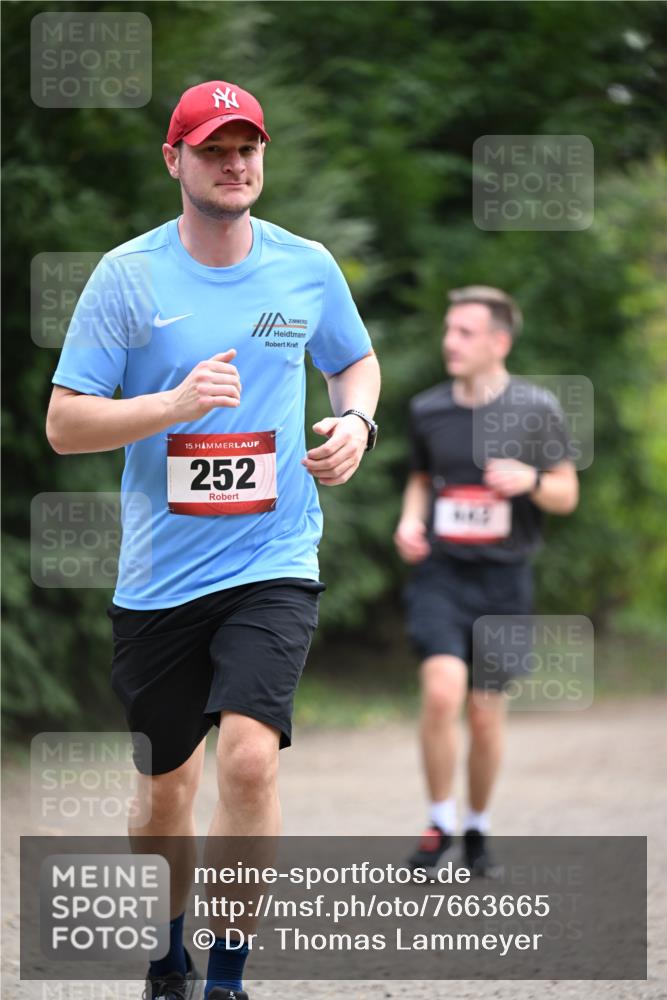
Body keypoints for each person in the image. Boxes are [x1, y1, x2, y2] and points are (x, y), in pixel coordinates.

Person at [46, 79, 380, 1000]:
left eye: (248, 149)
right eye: (213, 150)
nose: (235, 165)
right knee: (164, 796)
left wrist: (356, 422)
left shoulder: (306, 266)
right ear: (175, 160)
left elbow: (353, 359)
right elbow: (66, 425)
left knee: (246, 755)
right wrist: (173, 406)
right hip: (160, 580)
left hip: (274, 558)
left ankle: (227, 978)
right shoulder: (128, 277)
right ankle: (168, 953)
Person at [394, 285, 578, 877]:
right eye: (448, 329)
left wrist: (528, 481)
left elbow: (567, 493)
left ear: (499, 341)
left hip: (504, 580)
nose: (450, 341)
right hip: (442, 574)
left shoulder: (537, 408)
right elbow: (422, 479)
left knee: (484, 709)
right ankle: (438, 821)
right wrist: (409, 521)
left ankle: (476, 828)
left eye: (465, 332)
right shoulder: (428, 410)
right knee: (443, 690)